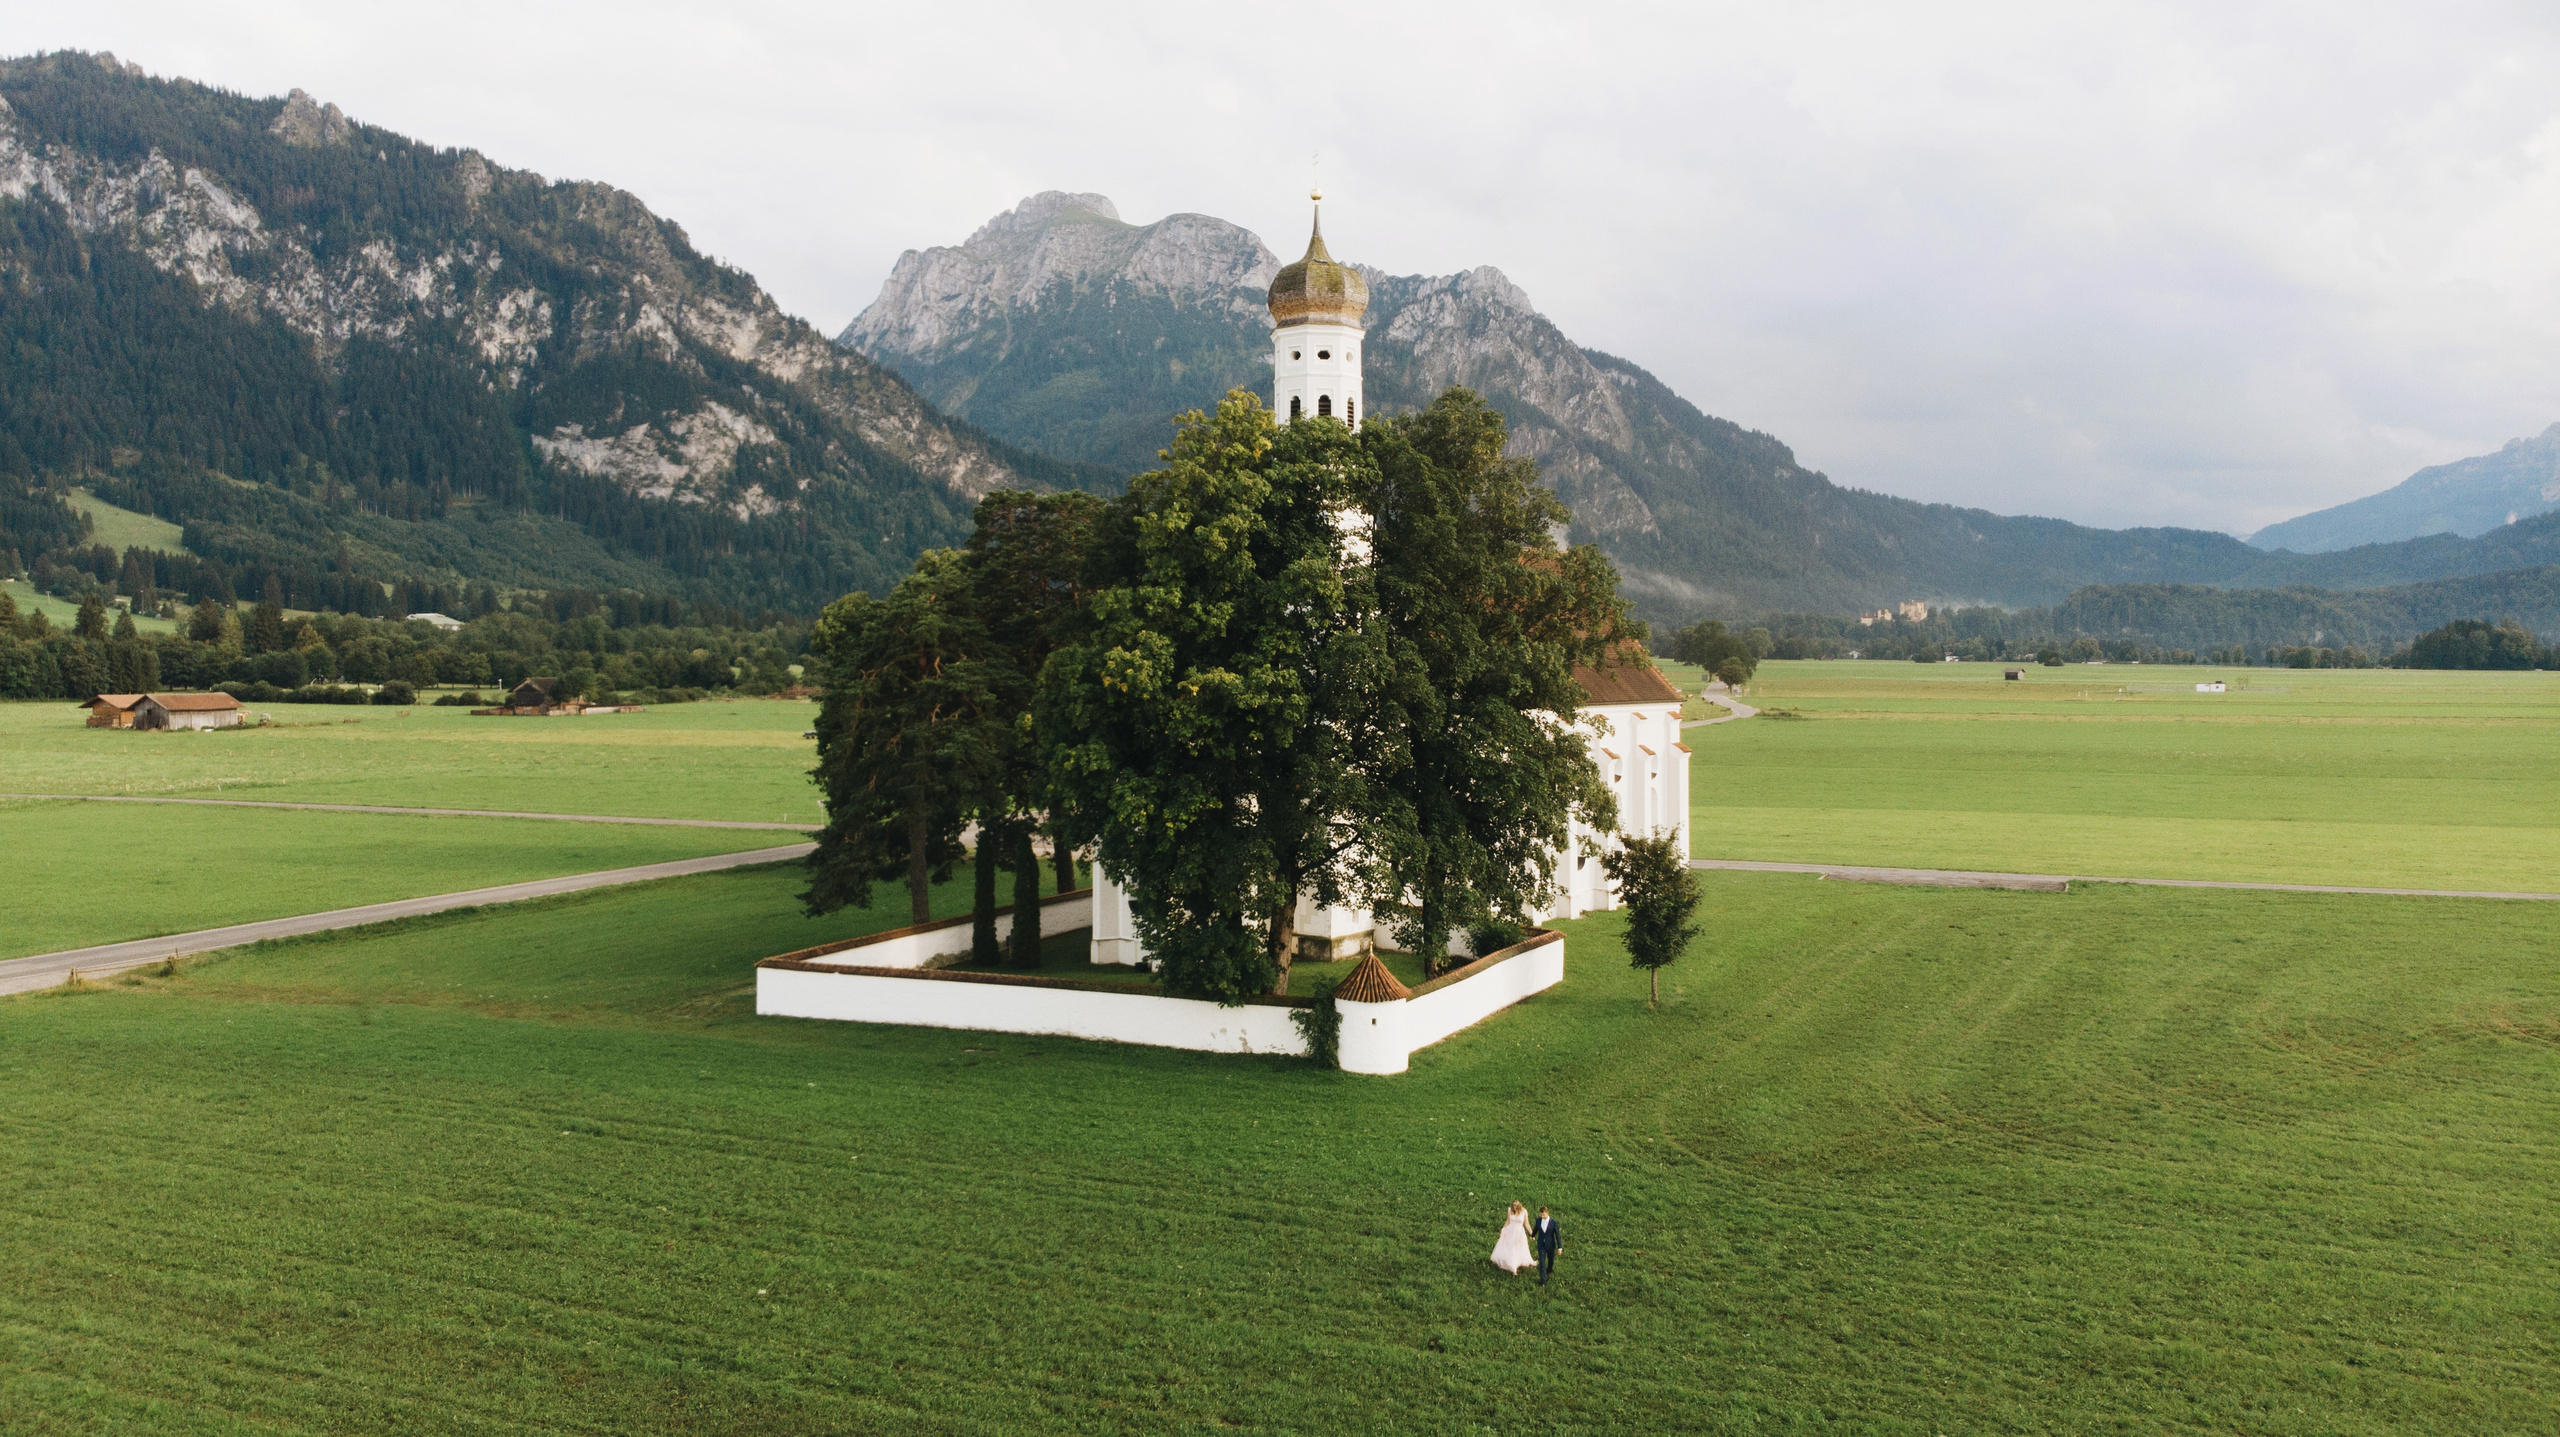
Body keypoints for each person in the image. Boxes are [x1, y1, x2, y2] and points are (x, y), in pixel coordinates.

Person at [1490, 1201, 1534, 1275]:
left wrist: (1532, 1234)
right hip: (1510, 1231)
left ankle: (1517, 1263)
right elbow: (1508, 1221)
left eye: (1516, 1207)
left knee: (1518, 1248)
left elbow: (1526, 1224)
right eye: (1513, 1207)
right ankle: (1513, 1267)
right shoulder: (1510, 1210)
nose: (1514, 1208)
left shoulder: (1524, 1211)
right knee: (1510, 1248)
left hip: (1519, 1232)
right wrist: (1503, 1229)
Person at [1533, 1207, 1561, 1285]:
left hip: (1550, 1245)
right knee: (1542, 1262)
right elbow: (1536, 1229)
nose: (1542, 1216)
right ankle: (1543, 1282)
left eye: (1543, 1214)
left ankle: (1549, 1270)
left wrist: (1560, 1247)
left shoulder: (1553, 1223)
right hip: (1541, 1244)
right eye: (1541, 1214)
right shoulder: (1538, 1221)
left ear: (1547, 1213)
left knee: (1550, 1260)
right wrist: (1532, 1235)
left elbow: (1557, 1235)